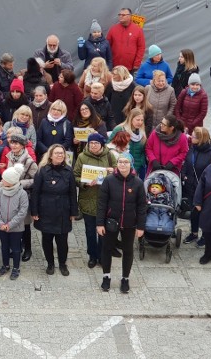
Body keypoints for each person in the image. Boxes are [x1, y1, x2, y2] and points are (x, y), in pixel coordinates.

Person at [97, 153, 146, 293]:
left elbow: (142, 206)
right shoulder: (109, 180)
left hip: (130, 223)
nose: (123, 164)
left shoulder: (137, 183)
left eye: (126, 162)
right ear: (117, 164)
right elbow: (101, 203)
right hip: (111, 221)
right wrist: (100, 223)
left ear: (131, 164)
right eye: (120, 162)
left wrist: (141, 226)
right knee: (106, 249)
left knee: (128, 251)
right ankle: (106, 276)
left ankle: (125, 278)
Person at [31, 144, 78, 276]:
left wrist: (73, 212)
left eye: (62, 153)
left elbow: (73, 193)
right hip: (46, 208)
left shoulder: (69, 171)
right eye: (57, 153)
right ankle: (50, 263)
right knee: (47, 239)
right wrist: (34, 211)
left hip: (63, 208)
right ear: (50, 155)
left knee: (62, 241)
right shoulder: (42, 171)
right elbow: (35, 192)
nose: (60, 155)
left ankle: (63, 264)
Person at [75, 133, 116, 268]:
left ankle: (102, 255)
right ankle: (92, 255)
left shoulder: (109, 155)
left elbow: (118, 172)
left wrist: (112, 171)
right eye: (91, 143)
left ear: (101, 144)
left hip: (106, 200)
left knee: (104, 231)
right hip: (88, 198)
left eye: (96, 143)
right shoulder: (82, 157)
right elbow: (75, 176)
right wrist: (85, 183)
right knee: (90, 231)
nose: (93, 145)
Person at [0, 132, 38, 262]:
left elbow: (36, 180)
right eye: (12, 143)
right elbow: (7, 177)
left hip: (23, 195)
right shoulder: (10, 157)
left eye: (17, 143)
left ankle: (28, 248)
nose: (14, 145)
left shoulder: (29, 161)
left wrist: (21, 183)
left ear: (22, 145)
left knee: (25, 223)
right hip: (10, 194)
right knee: (14, 221)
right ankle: (17, 246)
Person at [0, 163, 29, 280]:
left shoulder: (22, 194)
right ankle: (5, 265)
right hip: (2, 226)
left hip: (16, 228)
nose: (2, 180)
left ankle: (16, 268)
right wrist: (0, 224)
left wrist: (10, 224)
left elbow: (22, 212)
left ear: (11, 181)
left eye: (4, 179)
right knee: (4, 247)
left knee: (16, 248)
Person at [109, 108, 148, 180]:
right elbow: (109, 147)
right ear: (131, 119)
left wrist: (142, 164)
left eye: (142, 120)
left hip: (138, 168)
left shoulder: (142, 132)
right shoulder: (119, 129)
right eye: (137, 120)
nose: (140, 122)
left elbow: (143, 151)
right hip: (122, 168)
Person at [106, 8, 145, 74]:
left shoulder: (138, 30)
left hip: (130, 68)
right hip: (115, 67)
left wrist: (137, 63)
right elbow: (107, 46)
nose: (121, 16)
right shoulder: (113, 29)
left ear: (130, 16)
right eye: (119, 14)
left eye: (123, 15)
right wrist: (108, 62)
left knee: (128, 84)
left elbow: (141, 47)